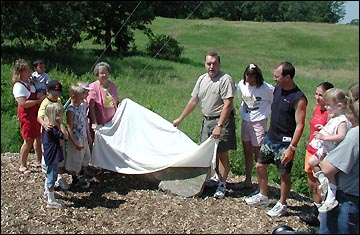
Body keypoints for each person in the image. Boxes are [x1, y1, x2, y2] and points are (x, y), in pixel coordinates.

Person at [245, 62, 307, 217]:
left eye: (277, 76)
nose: (274, 79)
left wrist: (291, 148)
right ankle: (263, 195)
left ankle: (282, 204)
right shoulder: (277, 90)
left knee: (284, 174)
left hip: (284, 143)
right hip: (270, 137)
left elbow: (300, 125)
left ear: (287, 77)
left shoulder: (298, 98)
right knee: (260, 166)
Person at [173, 51, 237, 199]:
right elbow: (193, 100)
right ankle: (213, 178)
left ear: (219, 64)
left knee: (221, 154)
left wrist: (219, 125)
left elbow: (228, 104)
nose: (211, 66)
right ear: (205, 64)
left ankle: (222, 184)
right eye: (209, 63)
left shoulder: (225, 79)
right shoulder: (202, 79)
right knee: (207, 153)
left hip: (222, 121)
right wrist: (180, 118)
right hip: (206, 121)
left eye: (214, 63)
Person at [319, 82, 359, 234]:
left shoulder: (355, 135)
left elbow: (328, 168)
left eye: (351, 101)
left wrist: (321, 158)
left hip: (347, 198)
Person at [308, 88, 352, 213]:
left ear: (339, 105)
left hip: (332, 150)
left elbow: (341, 136)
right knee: (312, 162)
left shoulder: (342, 120)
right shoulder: (334, 117)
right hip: (325, 148)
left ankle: (331, 196)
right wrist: (323, 128)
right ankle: (323, 180)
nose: (326, 107)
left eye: (328, 105)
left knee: (329, 173)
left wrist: (324, 136)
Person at [299, 82, 334, 226]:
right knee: (312, 184)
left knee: (321, 185)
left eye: (321, 95)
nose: (317, 97)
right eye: (316, 94)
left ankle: (323, 216)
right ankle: (316, 208)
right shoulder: (316, 109)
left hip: (321, 154)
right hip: (310, 150)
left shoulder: (329, 114)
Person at [236, 63, 274, 190]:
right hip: (246, 119)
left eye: (253, 80)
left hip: (259, 121)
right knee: (247, 151)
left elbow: (273, 102)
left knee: (258, 153)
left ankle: (261, 184)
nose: (250, 82)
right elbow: (241, 98)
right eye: (248, 79)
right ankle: (247, 179)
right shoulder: (241, 85)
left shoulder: (266, 88)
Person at [12, 59, 45, 174]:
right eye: (27, 70)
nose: (30, 71)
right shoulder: (18, 86)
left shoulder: (29, 83)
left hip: (35, 113)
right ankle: (22, 165)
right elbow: (23, 103)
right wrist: (38, 100)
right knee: (28, 140)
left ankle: (39, 160)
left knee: (38, 137)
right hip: (27, 115)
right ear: (21, 72)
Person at [38, 80, 70, 194]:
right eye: (54, 94)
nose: (56, 96)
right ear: (47, 92)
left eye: (58, 94)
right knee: (49, 161)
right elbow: (39, 117)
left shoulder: (58, 100)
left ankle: (58, 178)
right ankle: (49, 185)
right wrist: (45, 124)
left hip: (57, 133)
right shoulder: (45, 102)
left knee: (58, 159)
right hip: (50, 134)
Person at [65, 84, 92, 189]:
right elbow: (69, 127)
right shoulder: (71, 110)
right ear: (73, 97)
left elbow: (84, 122)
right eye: (80, 97)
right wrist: (75, 143)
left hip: (83, 136)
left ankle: (82, 174)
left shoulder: (81, 106)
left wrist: (88, 135)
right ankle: (75, 179)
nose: (82, 99)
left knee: (85, 157)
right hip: (76, 139)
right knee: (75, 160)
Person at [42, 102, 68, 208]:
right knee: (52, 176)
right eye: (60, 114)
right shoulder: (52, 127)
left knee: (52, 174)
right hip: (52, 154)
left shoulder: (47, 126)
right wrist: (61, 123)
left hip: (50, 153)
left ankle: (50, 194)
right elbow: (64, 136)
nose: (62, 116)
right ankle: (50, 200)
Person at [87, 62, 119, 140]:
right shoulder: (92, 87)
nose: (104, 75)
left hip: (113, 123)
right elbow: (91, 107)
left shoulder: (112, 86)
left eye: (106, 72)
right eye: (102, 73)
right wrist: (94, 123)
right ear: (97, 74)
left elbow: (116, 103)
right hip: (100, 124)